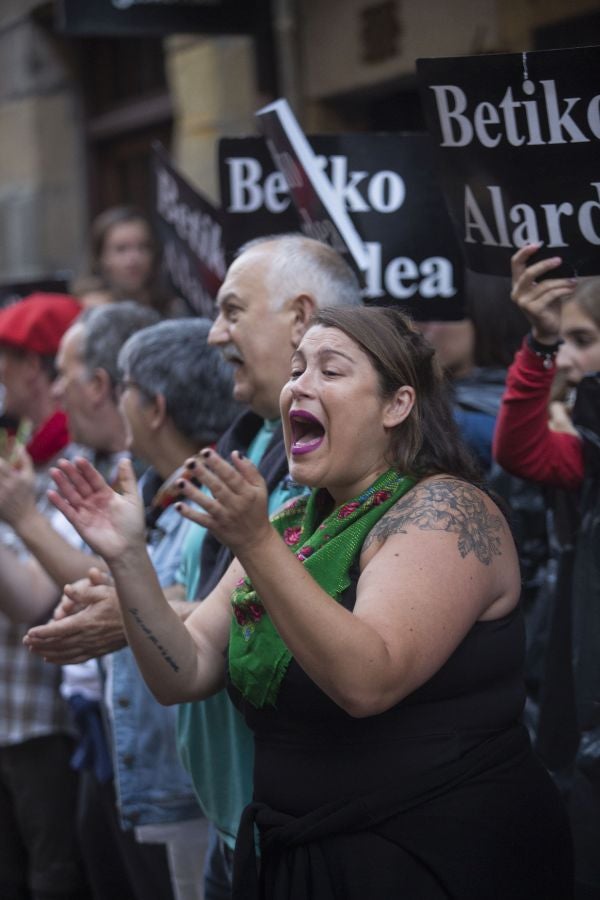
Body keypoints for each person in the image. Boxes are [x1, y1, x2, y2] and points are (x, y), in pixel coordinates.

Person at [47, 305, 573, 899]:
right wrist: (128, 557)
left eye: (331, 370)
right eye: (297, 369)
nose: (300, 384)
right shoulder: (292, 523)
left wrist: (254, 542)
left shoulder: (446, 512)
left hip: (431, 859)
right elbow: (186, 669)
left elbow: (367, 681)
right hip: (305, 856)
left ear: (396, 405)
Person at [28, 233, 364, 900]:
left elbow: (343, 665)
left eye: (232, 311)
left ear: (301, 318)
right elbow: (200, 641)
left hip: (299, 829)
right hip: (232, 822)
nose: (214, 336)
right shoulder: (249, 441)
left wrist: (134, 610)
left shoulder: (334, 470)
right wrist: (127, 575)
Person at [493, 243, 600, 900]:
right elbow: (521, 447)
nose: (576, 356)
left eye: (585, 339)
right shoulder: (589, 450)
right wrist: (539, 342)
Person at [0, 292, 91, 899]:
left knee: (53, 876)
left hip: (43, 718)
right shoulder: (27, 446)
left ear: (31, 365)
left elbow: (34, 600)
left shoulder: (70, 460)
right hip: (13, 713)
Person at [84, 205, 181, 317]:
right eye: (121, 249)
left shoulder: (171, 307)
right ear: (102, 257)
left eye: (143, 247)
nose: (134, 258)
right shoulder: (89, 309)